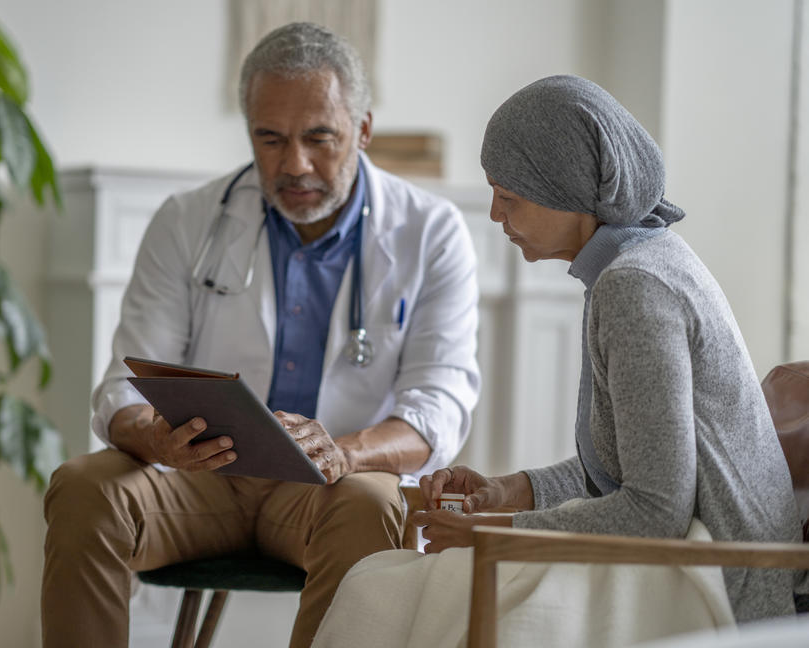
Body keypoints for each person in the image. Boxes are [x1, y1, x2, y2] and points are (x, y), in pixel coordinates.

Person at [310, 74, 806, 648]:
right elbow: (632, 474)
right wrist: (507, 492)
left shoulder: (636, 286)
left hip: (720, 581)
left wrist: (493, 532)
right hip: (691, 552)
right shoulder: (640, 261)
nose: (496, 214)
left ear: (570, 191)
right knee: (389, 584)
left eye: (510, 196)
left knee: (381, 590)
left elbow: (656, 509)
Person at [40, 22, 481, 648]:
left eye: (319, 137)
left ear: (362, 130)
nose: (293, 164)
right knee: (84, 488)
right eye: (269, 139)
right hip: (200, 480)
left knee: (370, 504)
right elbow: (123, 388)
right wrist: (161, 441)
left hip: (331, 490)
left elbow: (439, 408)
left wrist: (344, 452)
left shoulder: (431, 234)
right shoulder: (187, 220)